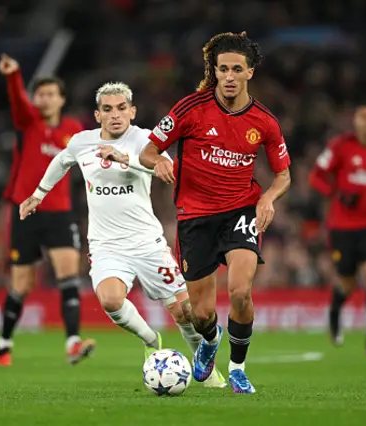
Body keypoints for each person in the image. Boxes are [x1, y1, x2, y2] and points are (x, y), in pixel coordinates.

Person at [19, 82, 226, 388]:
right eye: (107, 109)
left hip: (147, 242)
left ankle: (208, 372)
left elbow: (167, 167)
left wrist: (125, 159)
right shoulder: (82, 142)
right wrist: (38, 194)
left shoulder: (145, 139)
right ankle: (150, 339)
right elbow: (61, 161)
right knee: (111, 300)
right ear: (97, 115)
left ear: (132, 112)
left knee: (185, 312)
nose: (114, 115)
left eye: (120, 108)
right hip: (106, 245)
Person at [139, 32, 291, 394]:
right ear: (215, 71)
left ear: (249, 73)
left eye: (237, 69)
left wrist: (268, 198)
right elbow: (148, 151)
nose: (229, 76)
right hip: (194, 217)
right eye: (223, 69)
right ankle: (210, 340)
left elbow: (284, 175)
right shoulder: (190, 109)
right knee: (201, 314)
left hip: (240, 210)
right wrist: (158, 160)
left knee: (240, 292)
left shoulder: (265, 122)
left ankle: (237, 368)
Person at [0, 54, 95, 366]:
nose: (45, 99)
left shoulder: (74, 129)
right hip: (25, 211)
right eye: (40, 94)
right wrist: (14, 76)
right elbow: (17, 102)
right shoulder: (27, 122)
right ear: (34, 99)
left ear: (61, 99)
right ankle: (3, 345)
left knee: (69, 276)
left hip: (60, 212)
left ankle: (73, 344)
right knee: (22, 285)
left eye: (51, 94)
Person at [308, 103, 366, 355]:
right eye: (364, 117)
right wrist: (336, 193)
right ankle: (335, 311)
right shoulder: (340, 146)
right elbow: (316, 176)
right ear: (356, 122)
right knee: (347, 283)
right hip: (341, 226)